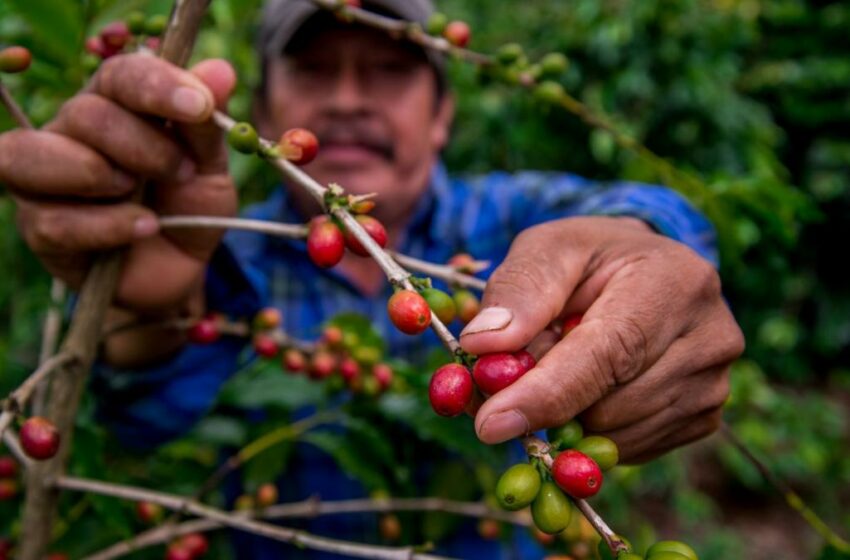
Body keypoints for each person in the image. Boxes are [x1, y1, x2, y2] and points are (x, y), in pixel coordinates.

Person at [0, 0, 744, 556]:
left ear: (444, 114)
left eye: (389, 69)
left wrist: (647, 251)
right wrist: (138, 316)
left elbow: (645, 216)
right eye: (316, 69)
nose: (350, 98)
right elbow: (139, 428)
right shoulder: (225, 261)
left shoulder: (508, 222)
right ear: (260, 109)